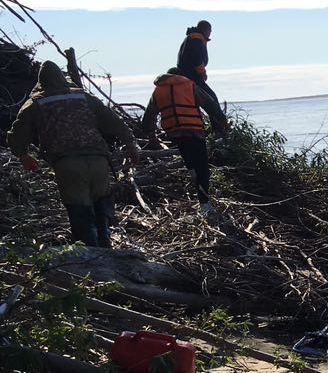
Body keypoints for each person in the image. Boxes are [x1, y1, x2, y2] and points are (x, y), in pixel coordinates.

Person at [6, 60, 139, 247]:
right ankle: (105, 243)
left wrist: (23, 155)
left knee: (79, 208)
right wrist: (131, 145)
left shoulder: (35, 103)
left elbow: (17, 135)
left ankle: (90, 254)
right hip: (99, 160)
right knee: (101, 201)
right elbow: (114, 121)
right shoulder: (84, 97)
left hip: (67, 164)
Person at [140, 67, 230, 215]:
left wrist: (151, 135)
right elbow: (210, 104)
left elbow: (148, 116)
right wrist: (222, 121)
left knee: (191, 163)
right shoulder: (189, 84)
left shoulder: (158, 90)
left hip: (174, 132)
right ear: (180, 75)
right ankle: (205, 204)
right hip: (194, 130)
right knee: (202, 166)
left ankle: (195, 180)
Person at [176, 20, 217, 101]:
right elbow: (197, 59)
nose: (210, 33)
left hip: (185, 74)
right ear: (205, 29)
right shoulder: (197, 39)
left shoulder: (192, 37)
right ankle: (217, 114)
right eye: (210, 30)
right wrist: (202, 73)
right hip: (192, 75)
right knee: (211, 98)